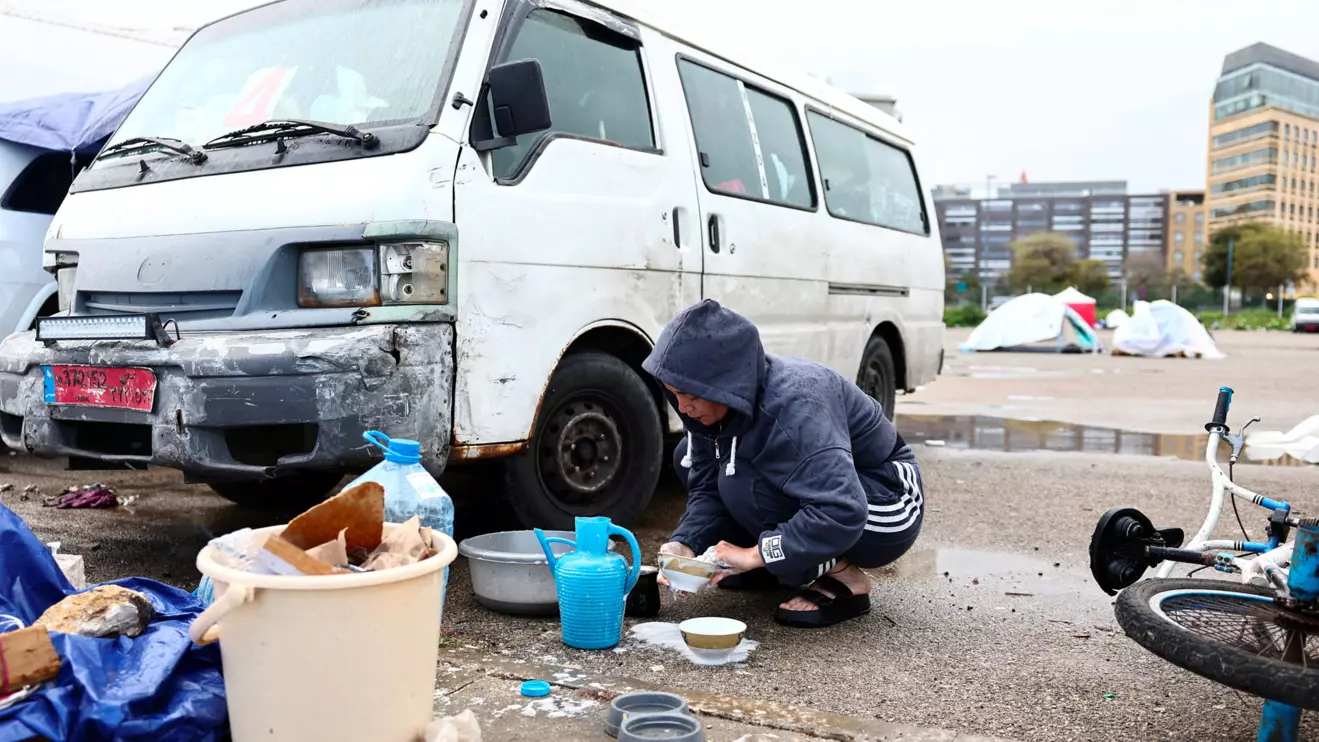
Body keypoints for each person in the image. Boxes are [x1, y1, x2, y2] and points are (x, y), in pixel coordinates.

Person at [641, 299, 924, 628]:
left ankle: (846, 579)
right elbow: (707, 489)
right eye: (674, 393)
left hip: (888, 501)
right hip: (842, 500)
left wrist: (751, 557)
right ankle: (780, 567)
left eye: (691, 395)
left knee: (745, 485)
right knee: (691, 461)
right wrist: (685, 543)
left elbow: (843, 510)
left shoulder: (795, 407)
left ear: (723, 383)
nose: (683, 407)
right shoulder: (709, 416)